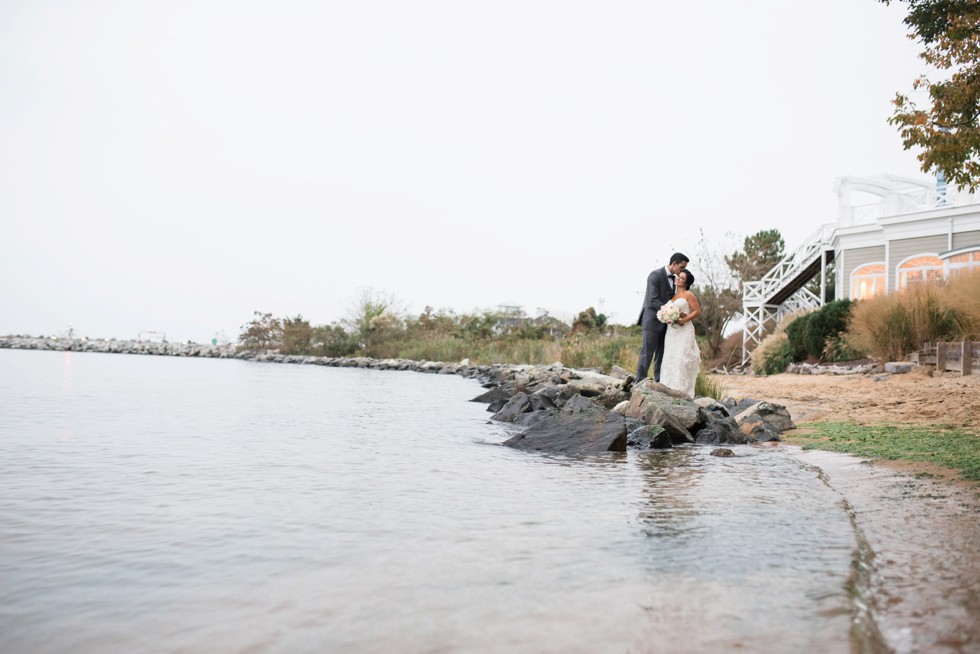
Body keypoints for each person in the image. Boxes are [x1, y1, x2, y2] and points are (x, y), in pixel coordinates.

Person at [636, 252, 689, 382]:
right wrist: (674, 311)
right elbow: (652, 300)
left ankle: (659, 382)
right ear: (674, 263)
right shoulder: (655, 275)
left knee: (661, 354)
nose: (682, 271)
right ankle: (639, 381)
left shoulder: (674, 280)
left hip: (666, 323)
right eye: (681, 267)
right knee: (647, 353)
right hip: (651, 322)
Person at [659, 269, 702, 398]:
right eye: (678, 277)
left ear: (686, 283)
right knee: (669, 358)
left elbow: (697, 311)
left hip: (685, 331)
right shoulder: (672, 296)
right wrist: (667, 316)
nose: (678, 279)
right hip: (672, 331)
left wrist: (683, 319)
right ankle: (667, 389)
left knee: (682, 359)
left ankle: (683, 392)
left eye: (682, 278)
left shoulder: (688, 294)